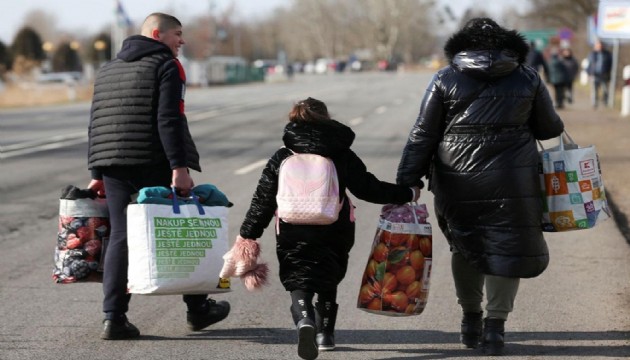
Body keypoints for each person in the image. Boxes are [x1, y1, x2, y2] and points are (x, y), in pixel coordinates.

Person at [396, 18, 564, 356]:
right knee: (507, 245)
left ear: (462, 45)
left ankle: (470, 321)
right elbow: (549, 129)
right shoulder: (527, 77)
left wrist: (407, 181)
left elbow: (423, 134)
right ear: (508, 44)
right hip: (513, 177)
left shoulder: (445, 78)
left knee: (465, 244)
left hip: (457, 178)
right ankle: (494, 330)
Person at [230, 97, 420, 360]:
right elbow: (368, 187)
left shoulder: (283, 156)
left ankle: (305, 320)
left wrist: (248, 234)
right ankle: (325, 334)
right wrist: (407, 193)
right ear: (326, 119)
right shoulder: (340, 153)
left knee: (299, 277)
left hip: (291, 227)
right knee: (328, 275)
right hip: (335, 226)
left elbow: (263, 200)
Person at [86, 12, 230, 340]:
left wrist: (97, 171)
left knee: (121, 236)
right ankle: (198, 309)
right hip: (151, 158)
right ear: (157, 34)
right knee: (181, 226)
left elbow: (95, 122)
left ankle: (114, 318)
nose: (181, 40)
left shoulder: (107, 68)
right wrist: (179, 168)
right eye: (176, 34)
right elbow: (169, 119)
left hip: (111, 163)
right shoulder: (166, 65)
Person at [586, 39, 613, 108]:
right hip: (594, 74)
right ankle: (594, 103)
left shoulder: (607, 54)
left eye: (600, 45)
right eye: (597, 45)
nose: (599, 47)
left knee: (605, 90)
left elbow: (611, 64)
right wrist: (589, 73)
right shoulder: (592, 54)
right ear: (595, 46)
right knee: (594, 90)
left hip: (604, 74)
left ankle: (606, 102)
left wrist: (610, 73)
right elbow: (589, 65)